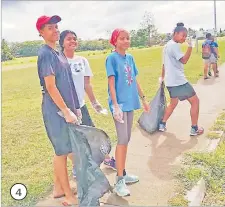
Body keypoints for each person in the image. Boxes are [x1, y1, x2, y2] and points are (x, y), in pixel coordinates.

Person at [58, 30, 117, 177]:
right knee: (74, 140)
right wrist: (64, 110)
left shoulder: (82, 61)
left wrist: (95, 103)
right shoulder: (58, 61)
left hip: (81, 106)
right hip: (67, 110)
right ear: (62, 43)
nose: (72, 41)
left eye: (75, 39)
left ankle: (107, 159)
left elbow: (87, 85)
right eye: (68, 39)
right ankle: (77, 167)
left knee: (93, 135)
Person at [36, 15, 80, 205]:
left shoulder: (58, 53)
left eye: (56, 27)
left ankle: (58, 189)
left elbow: (68, 83)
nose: (55, 30)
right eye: (49, 28)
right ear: (41, 33)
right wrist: (66, 110)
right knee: (61, 151)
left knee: (64, 149)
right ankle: (68, 196)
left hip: (65, 108)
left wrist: (75, 108)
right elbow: (51, 86)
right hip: (55, 110)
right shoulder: (45, 53)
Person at [105, 28, 150, 197]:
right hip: (120, 105)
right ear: (115, 41)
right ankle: (119, 181)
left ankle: (123, 173)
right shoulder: (111, 58)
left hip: (131, 103)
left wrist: (144, 99)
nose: (126, 41)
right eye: (122, 38)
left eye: (127, 38)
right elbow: (111, 83)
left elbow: (135, 80)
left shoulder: (130, 58)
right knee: (122, 140)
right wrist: (115, 106)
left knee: (127, 139)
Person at [159, 23, 204, 136]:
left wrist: (162, 78)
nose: (184, 38)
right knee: (195, 101)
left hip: (170, 81)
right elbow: (184, 60)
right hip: (178, 81)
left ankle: (162, 124)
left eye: (185, 36)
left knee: (173, 103)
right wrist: (190, 47)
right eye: (182, 35)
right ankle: (194, 128)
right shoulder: (174, 46)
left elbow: (164, 65)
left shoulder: (166, 45)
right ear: (175, 34)